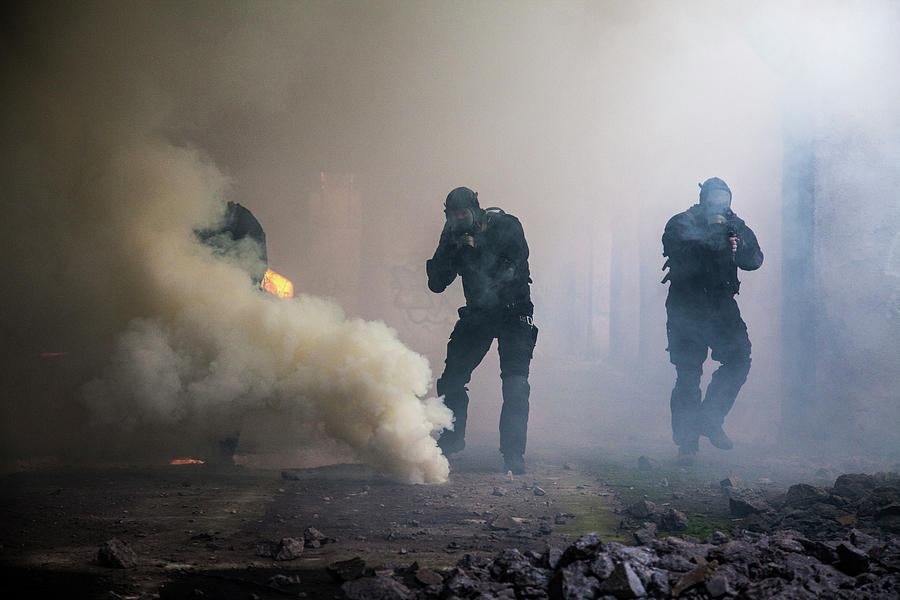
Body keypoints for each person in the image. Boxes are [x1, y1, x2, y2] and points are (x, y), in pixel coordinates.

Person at [426, 187, 537, 474]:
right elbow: (437, 283)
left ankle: (513, 454)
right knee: (451, 379)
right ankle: (451, 441)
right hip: (479, 314)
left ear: (476, 210)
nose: (459, 219)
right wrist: (454, 251)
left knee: (515, 385)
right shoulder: (453, 235)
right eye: (453, 215)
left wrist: (477, 249)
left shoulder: (506, 225)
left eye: (463, 213)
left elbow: (512, 268)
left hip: (514, 313)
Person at [661, 177, 763, 461]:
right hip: (687, 306)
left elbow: (754, 260)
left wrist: (736, 245)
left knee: (739, 358)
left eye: (724, 199)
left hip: (721, 306)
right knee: (689, 374)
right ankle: (687, 442)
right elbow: (679, 251)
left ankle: (710, 418)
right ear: (703, 199)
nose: (719, 205)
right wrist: (714, 243)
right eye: (714, 199)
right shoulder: (682, 223)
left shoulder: (735, 226)